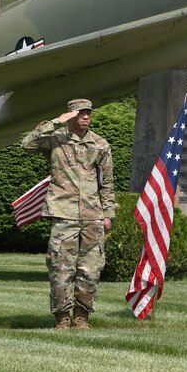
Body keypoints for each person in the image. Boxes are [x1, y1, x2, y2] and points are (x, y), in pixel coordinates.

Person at [21, 99, 115, 330]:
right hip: (64, 215)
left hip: (92, 216)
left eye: (88, 113)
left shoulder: (100, 144)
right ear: (71, 115)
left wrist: (108, 213)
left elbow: (108, 183)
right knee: (61, 269)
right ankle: (62, 318)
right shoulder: (56, 139)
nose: (85, 117)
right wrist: (55, 122)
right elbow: (27, 144)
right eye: (81, 113)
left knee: (90, 270)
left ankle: (82, 317)